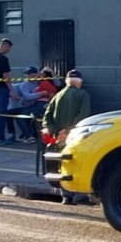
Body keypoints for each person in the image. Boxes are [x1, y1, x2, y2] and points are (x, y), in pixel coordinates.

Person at [42, 70, 92, 204]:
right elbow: (83, 116)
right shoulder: (83, 94)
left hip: (59, 138)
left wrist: (58, 132)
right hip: (75, 137)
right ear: (79, 81)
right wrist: (69, 130)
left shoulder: (58, 95)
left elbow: (46, 118)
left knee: (61, 163)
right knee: (77, 163)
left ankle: (66, 195)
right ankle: (79, 196)